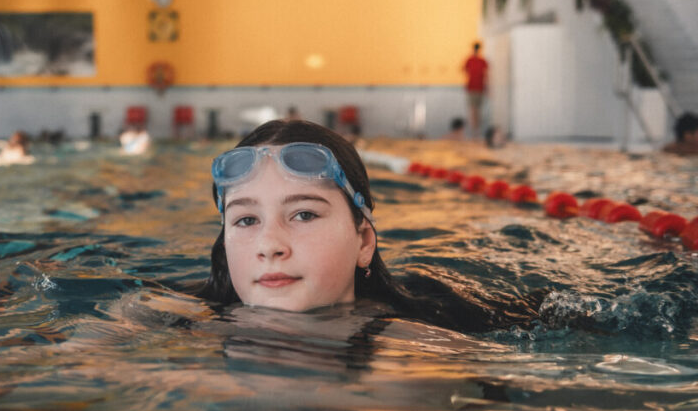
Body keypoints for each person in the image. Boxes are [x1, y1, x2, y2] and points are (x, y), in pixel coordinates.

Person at [195, 120, 539, 330]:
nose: (269, 245)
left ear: (363, 242)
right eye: (246, 220)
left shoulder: (421, 357)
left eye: (304, 214)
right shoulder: (182, 323)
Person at [462, 42, 488, 137]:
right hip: (473, 88)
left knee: (477, 110)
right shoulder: (471, 60)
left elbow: (486, 75)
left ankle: (476, 131)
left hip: (478, 88)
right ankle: (474, 131)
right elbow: (465, 71)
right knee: (473, 110)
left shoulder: (481, 61)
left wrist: (487, 88)